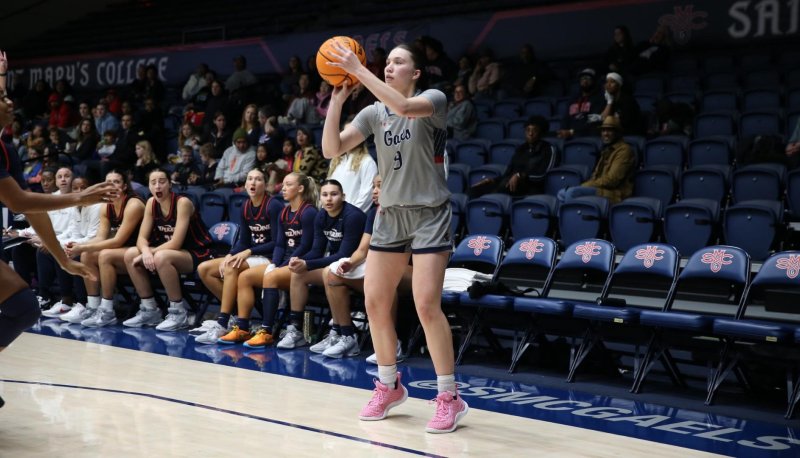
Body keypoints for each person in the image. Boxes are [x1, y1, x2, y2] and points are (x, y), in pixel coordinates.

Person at [322, 42, 468, 433]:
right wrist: (338, 98)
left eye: (398, 62)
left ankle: (449, 397)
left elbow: (402, 108)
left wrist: (360, 69)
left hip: (429, 215)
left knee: (425, 304)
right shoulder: (372, 112)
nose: (389, 67)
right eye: (385, 63)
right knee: (374, 300)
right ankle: (389, 386)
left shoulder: (432, 100)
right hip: (389, 215)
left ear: (416, 73)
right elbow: (330, 148)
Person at [0, 51, 117, 408]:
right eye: (3, 96)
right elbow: (18, 202)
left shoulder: (7, 150)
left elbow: (30, 206)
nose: (9, 101)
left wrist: (61, 259)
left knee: (23, 305)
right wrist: (81, 195)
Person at [217, 173, 317, 346]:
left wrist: (280, 267)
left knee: (270, 276)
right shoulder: (285, 212)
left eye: (288, 184)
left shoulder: (309, 212)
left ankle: (268, 330)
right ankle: (242, 328)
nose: (283, 188)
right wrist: (275, 264)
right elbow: (279, 245)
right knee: (244, 277)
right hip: (284, 263)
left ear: (300, 188)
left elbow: (306, 246)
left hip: (304, 264)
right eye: (283, 184)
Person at [317, 175, 410, 361]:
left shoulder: (406, 212)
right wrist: (350, 262)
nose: (374, 191)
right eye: (373, 186)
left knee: (384, 277)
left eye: (380, 186)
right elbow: (362, 250)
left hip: (410, 269)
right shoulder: (374, 213)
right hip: (380, 265)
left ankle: (392, 344)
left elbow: (407, 254)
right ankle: (348, 336)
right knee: (334, 274)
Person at [194, 168, 283, 344]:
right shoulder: (245, 206)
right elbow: (243, 241)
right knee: (204, 269)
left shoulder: (273, 206)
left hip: (271, 258)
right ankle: (235, 314)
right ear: (245, 184)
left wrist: (247, 252)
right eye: (250, 179)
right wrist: (231, 254)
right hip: (252, 256)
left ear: (265, 185)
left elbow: (277, 242)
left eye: (258, 179)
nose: (253, 182)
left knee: (232, 267)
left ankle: (223, 323)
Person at [122, 168, 214, 331]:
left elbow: (176, 243)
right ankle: (150, 310)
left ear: (170, 184)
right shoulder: (150, 203)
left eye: (162, 182)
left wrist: (151, 253)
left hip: (197, 253)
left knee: (162, 257)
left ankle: (179, 314)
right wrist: (146, 252)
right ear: (149, 187)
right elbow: (141, 239)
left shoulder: (182, 203)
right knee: (130, 254)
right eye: (153, 182)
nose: (158, 186)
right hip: (167, 251)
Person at [279, 179, 366, 351]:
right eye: (325, 195)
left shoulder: (353, 216)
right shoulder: (321, 215)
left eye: (334, 194)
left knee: (327, 272)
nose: (329, 199)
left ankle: (338, 332)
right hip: (336, 267)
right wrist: (299, 260)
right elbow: (317, 251)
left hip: (357, 267)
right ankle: (297, 330)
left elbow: (344, 255)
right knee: (299, 274)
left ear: (343, 196)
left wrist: (308, 263)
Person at [59, 171, 145, 326]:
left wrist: (83, 246)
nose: (111, 186)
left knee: (104, 255)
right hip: (121, 251)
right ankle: (93, 307)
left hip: (139, 250)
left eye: (116, 182)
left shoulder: (134, 204)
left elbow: (118, 241)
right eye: (108, 182)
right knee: (87, 255)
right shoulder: (106, 205)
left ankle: (107, 310)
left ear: (125, 186)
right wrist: (81, 247)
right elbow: (101, 237)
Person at [38, 176, 102, 316]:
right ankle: (63, 299)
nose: (79, 191)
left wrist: (72, 246)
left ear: (91, 189)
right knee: (50, 251)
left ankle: (82, 303)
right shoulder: (75, 206)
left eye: (83, 188)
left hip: (96, 246)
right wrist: (53, 244)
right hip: (81, 243)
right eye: (75, 188)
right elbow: (72, 232)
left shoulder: (97, 207)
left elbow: (93, 237)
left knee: (74, 254)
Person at [470, 115, 556, 198]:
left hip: (531, 187)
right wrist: (493, 180)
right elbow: (509, 173)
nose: (530, 133)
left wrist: (520, 175)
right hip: (510, 185)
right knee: (474, 190)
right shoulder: (521, 149)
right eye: (528, 130)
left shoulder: (548, 149)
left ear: (541, 133)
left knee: (499, 190)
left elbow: (544, 175)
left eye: (535, 131)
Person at [557, 116, 635, 204]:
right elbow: (596, 175)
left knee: (572, 193)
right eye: (603, 130)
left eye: (609, 130)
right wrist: (587, 185)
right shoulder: (606, 149)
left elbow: (612, 180)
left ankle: (572, 217)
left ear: (617, 133)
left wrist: (588, 185)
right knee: (562, 193)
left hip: (615, 194)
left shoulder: (624, 150)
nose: (605, 133)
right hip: (600, 189)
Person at [327, 131, 377, 212]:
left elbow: (367, 195)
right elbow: (327, 189)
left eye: (351, 133)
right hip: (332, 216)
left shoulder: (367, 161)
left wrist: (350, 215)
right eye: (345, 133)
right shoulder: (335, 161)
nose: (348, 137)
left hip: (352, 218)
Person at [556, 68, 606, 140]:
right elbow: (566, 117)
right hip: (569, 136)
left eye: (588, 78)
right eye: (583, 78)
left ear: (594, 81)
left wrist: (572, 132)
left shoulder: (599, 98)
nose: (585, 80)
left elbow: (593, 121)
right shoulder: (573, 99)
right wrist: (563, 130)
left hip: (589, 136)